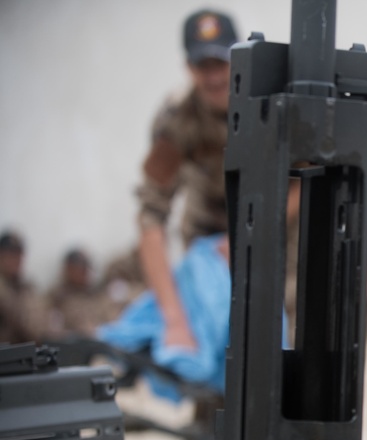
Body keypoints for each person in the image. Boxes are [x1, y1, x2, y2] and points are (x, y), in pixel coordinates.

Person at [134, 9, 238, 351]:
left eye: (220, 64)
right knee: (207, 346)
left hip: (279, 232)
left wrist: (251, 237)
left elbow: (303, 182)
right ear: (188, 69)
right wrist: (174, 320)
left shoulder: (273, 104)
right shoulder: (177, 121)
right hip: (208, 235)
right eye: (202, 66)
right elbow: (151, 216)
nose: (213, 78)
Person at [45, 247, 115, 338]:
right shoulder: (57, 296)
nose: (84, 272)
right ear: (68, 269)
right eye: (80, 268)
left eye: (86, 268)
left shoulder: (95, 293)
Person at [0, 230, 48, 344]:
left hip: (26, 354)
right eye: (11, 255)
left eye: (19, 254)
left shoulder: (27, 287)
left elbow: (38, 328)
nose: (17, 260)